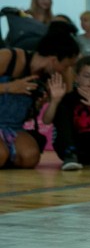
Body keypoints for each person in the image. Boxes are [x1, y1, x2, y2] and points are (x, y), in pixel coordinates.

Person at [0, 23, 80, 169]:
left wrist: (40, 105)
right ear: (54, 60)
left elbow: (33, 117)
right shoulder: (9, 57)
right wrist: (9, 87)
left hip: (13, 126)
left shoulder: (46, 77)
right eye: (67, 66)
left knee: (30, 157)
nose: (67, 71)